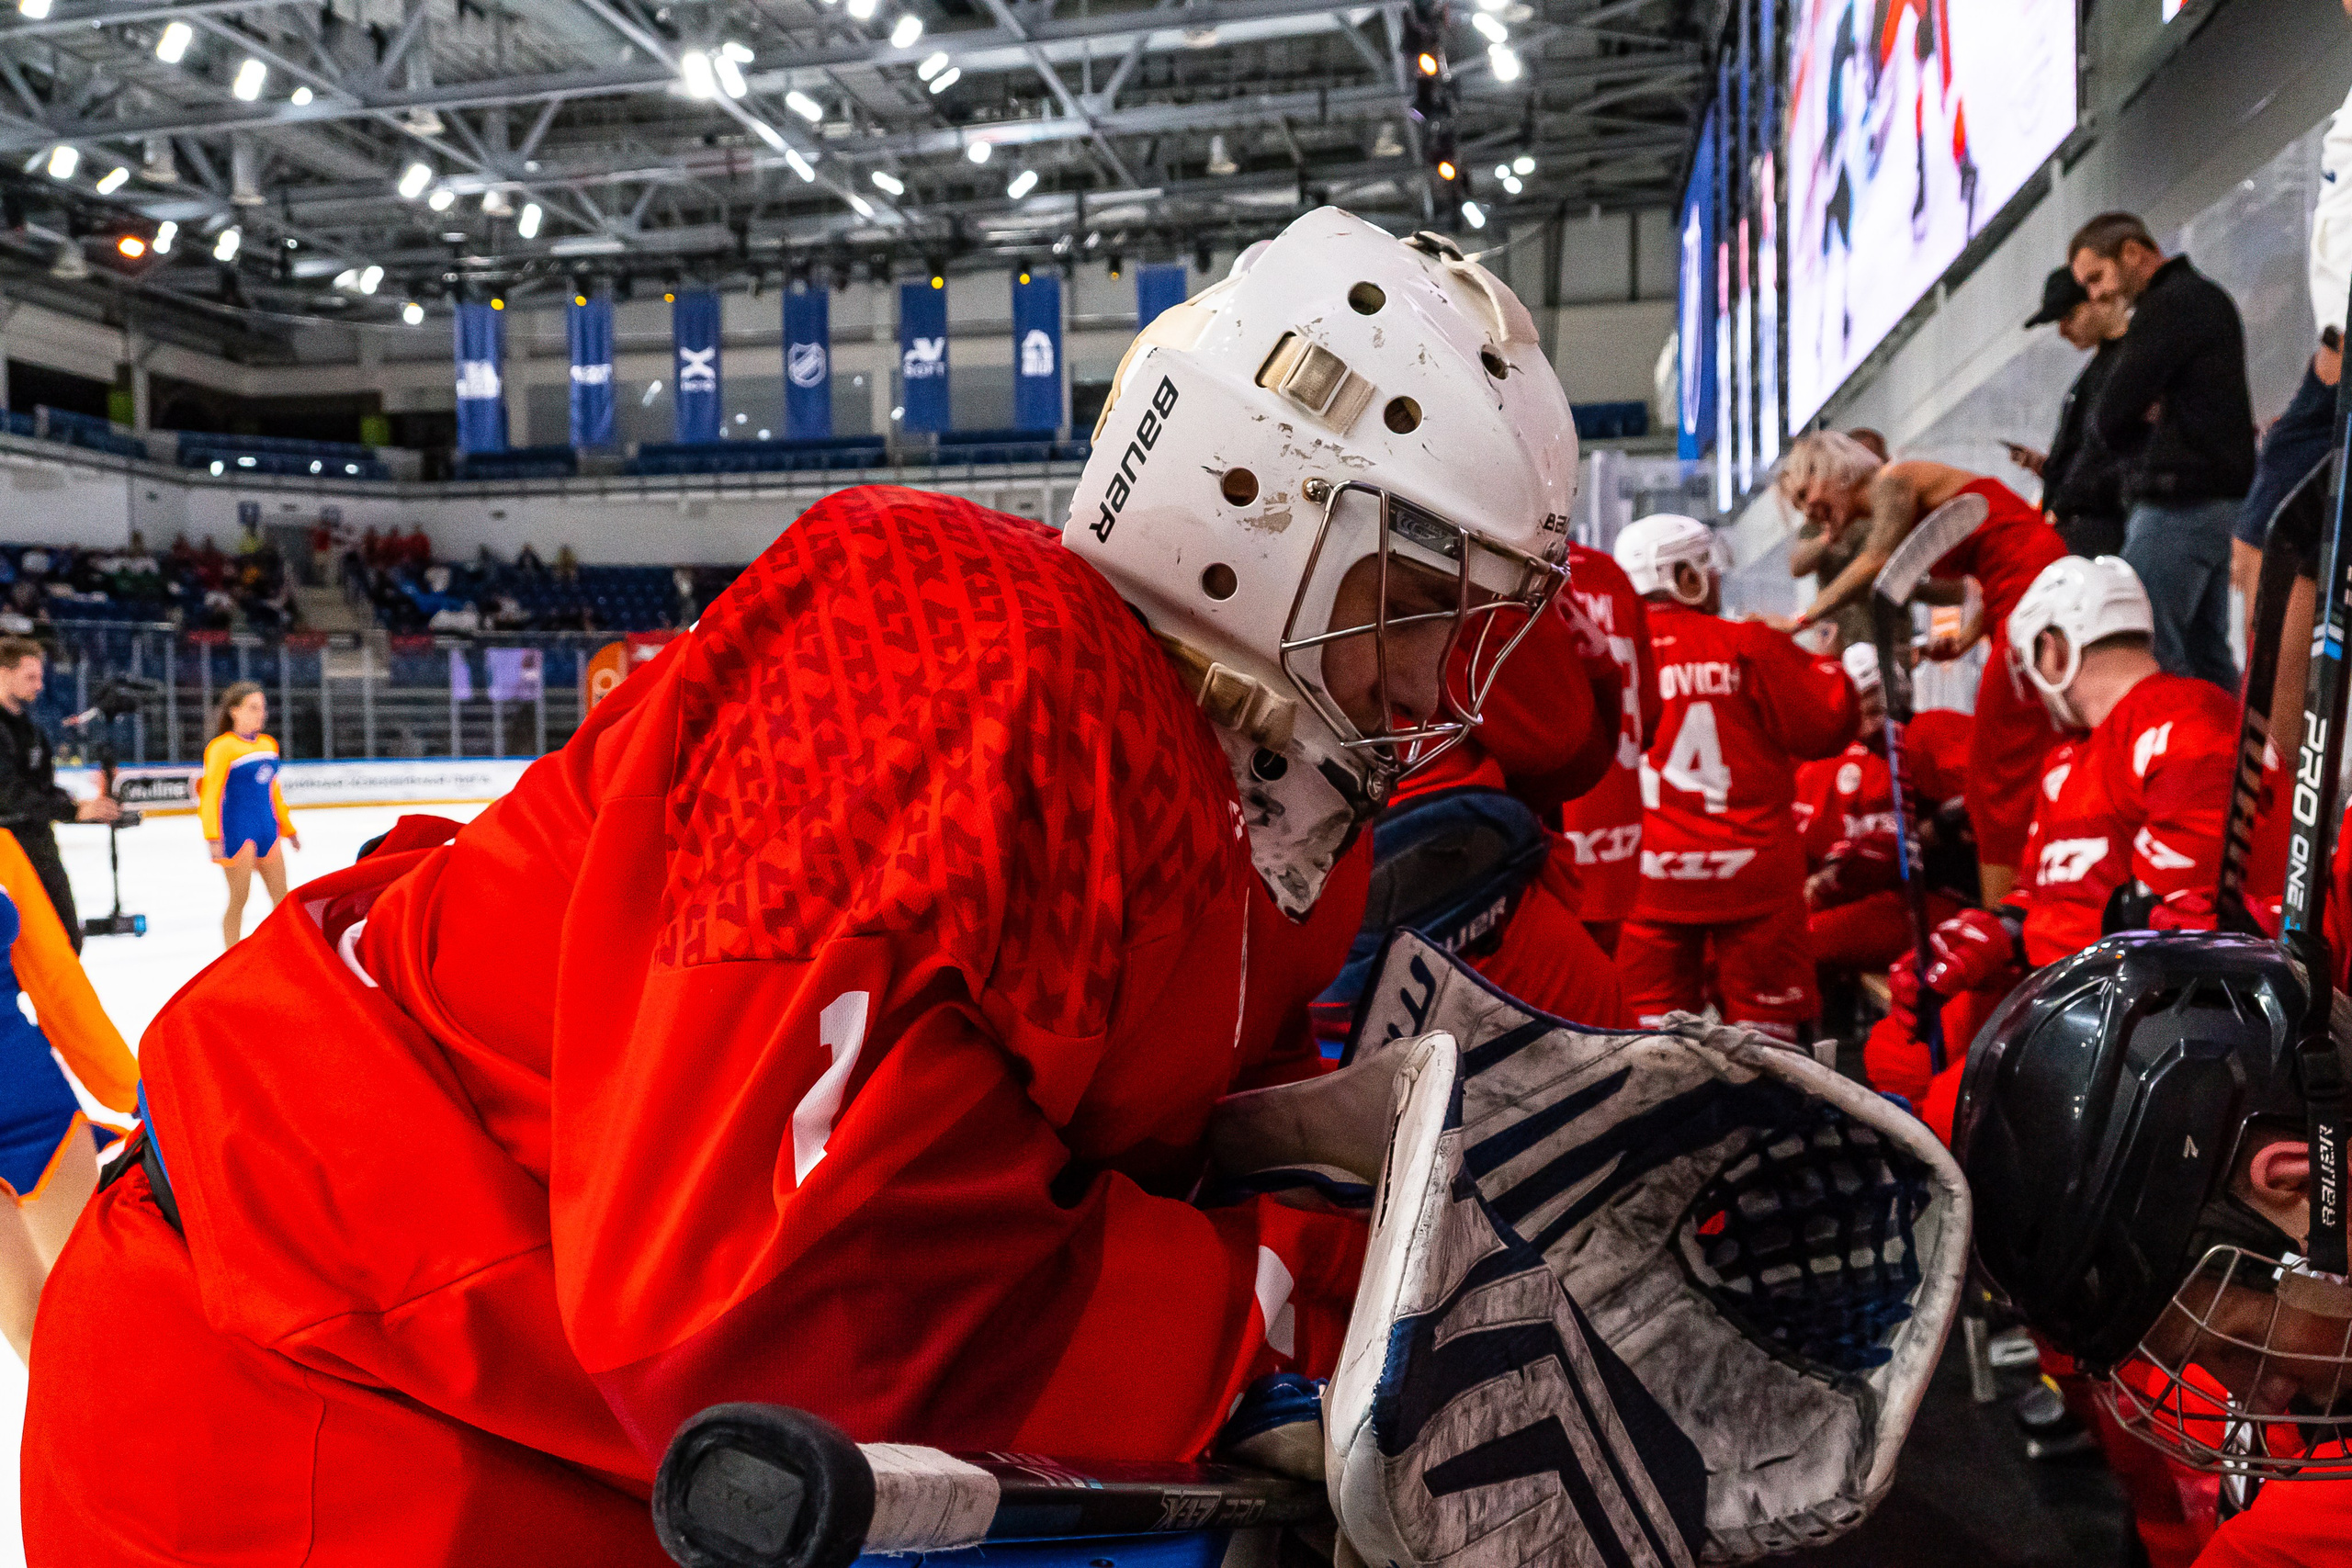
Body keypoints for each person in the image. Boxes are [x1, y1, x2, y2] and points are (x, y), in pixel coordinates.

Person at [24, 210, 1584, 1565]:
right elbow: (763, 1307)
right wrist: (1306, 1317)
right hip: (297, 1400)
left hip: (549, 1411)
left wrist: (1414, 1218)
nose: (1427, 682)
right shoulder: (947, 644)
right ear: (1252, 499)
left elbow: (1116, 1175)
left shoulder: (1271, 829)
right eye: (1411, 600)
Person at [1866, 556, 2235, 1138]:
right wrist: (1990, 935)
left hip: (2136, 1013)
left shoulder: (2188, 719)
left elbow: (2172, 930)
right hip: (2064, 991)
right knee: (1899, 1048)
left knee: (1946, 1108)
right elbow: (2040, 896)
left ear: (2054, 648)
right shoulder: (2068, 759)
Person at [1781, 431, 2068, 903]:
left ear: (1828, 471)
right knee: (2014, 758)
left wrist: (1798, 623)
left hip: (2029, 592)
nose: (1807, 511)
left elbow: (1875, 563)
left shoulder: (1893, 481)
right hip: (2019, 595)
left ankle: (2005, 910)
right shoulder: (1899, 493)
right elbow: (1991, 563)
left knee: (1997, 765)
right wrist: (1966, 637)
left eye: (1804, 495)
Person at [1613, 512, 1860, 1043]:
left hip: (1646, 877)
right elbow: (1826, 726)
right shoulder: (1745, 643)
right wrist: (1829, 665)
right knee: (1769, 1040)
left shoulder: (1614, 658)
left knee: (1646, 1037)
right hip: (1753, 874)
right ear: (1684, 576)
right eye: (1705, 568)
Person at [2070, 212, 2255, 691]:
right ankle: (2228, 739)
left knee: (2145, 644)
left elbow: (2111, 413)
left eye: (2097, 277)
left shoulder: (2169, 306)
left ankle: (2175, 739)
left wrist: (2138, 418)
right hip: (2214, 501)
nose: (2095, 295)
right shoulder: (2203, 299)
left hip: (2180, 504)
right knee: (2205, 651)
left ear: (2133, 253)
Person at [0, 827, 135, 1362]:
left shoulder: (2, 850)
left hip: (30, 1101)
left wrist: (132, 1088)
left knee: (102, 1301)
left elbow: (55, 979)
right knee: (30, 1328)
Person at [1555, 540, 1659, 954]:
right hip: (1616, 831)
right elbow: (1649, 717)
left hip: (1537, 833)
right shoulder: (1610, 574)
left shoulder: (1495, 561)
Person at [0, 638, 120, 953]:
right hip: (6, 848)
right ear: (3, 673)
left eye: (40, 677)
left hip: (37, 843)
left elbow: (43, 788)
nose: (40, 686)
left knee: (65, 938)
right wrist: (71, 810)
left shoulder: (32, 730)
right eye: (31, 677)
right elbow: (8, 793)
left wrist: (82, 807)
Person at [2009, 265, 2132, 558]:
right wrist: (2048, 469)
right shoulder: (2095, 372)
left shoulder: (2129, 364)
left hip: (2106, 529)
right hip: (2082, 529)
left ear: (2098, 298)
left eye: (2069, 317)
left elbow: (2113, 452)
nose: (2062, 331)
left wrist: (2068, 499)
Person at [198, 682, 298, 951]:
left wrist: (288, 829)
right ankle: (232, 956)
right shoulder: (222, 747)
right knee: (239, 899)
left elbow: (274, 792)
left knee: (283, 897)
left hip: (268, 829)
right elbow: (211, 795)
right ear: (235, 711)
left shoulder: (269, 744)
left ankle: (284, 950)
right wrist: (212, 836)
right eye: (253, 708)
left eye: (263, 708)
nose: (261, 714)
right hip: (237, 831)